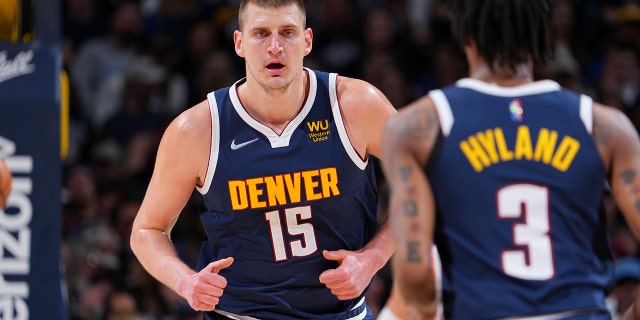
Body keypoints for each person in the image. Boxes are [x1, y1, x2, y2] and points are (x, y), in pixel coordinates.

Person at [129, 0, 397, 319]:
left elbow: (428, 182)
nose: (275, 47)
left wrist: (372, 259)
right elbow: (146, 230)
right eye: (260, 33)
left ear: (307, 40)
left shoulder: (354, 105)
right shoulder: (198, 130)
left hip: (342, 314)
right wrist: (186, 282)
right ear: (239, 43)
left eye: (287, 32)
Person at [381, 0, 640, 319]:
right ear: (541, 34)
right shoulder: (606, 126)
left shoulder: (416, 126)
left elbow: (416, 276)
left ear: (466, 34)